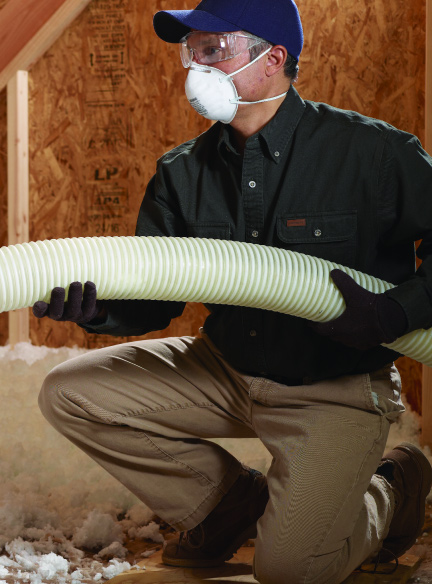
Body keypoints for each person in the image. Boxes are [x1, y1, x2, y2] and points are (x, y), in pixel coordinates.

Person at [33, 1, 432, 583]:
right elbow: (159, 294)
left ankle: (391, 490)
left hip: (333, 385)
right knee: (68, 392)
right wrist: (101, 309)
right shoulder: (182, 172)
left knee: (291, 571)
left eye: (213, 50)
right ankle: (226, 506)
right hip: (226, 367)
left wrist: (395, 310)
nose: (196, 66)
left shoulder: (372, 153)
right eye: (191, 51)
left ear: (272, 59)